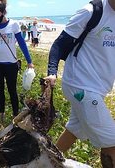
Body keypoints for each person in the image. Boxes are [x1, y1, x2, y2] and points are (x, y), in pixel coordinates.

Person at [45, 0, 115, 167]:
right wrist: (52, 72)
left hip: (98, 87)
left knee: (74, 131)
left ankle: (45, 163)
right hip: (80, 84)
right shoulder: (91, 11)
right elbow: (59, 44)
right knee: (112, 143)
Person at [0, 0, 34, 122]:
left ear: (3, 12)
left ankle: (16, 115)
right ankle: (1, 114)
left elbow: (22, 43)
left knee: (12, 90)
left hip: (11, 64)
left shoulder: (14, 25)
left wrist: (29, 61)